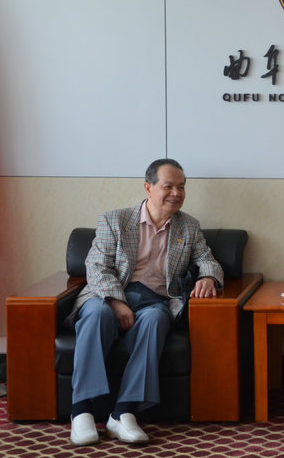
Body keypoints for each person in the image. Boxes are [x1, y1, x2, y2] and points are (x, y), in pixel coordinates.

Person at [66, 158, 223, 446]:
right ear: (148, 187)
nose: (176, 193)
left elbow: (207, 260)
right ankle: (81, 411)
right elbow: (96, 267)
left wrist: (209, 277)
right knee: (97, 315)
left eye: (181, 187)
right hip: (108, 296)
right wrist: (117, 302)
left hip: (154, 301)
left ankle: (123, 413)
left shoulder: (188, 227)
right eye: (168, 186)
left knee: (156, 319)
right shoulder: (115, 220)